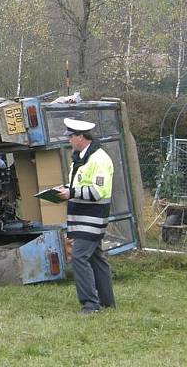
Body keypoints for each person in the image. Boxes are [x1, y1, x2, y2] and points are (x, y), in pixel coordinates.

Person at [56, 117, 116, 314]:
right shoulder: (82, 157)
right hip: (82, 219)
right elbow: (80, 185)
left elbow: (98, 192)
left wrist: (71, 193)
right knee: (96, 258)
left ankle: (90, 304)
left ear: (81, 137)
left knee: (80, 257)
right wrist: (65, 190)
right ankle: (107, 301)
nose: (69, 140)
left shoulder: (99, 159)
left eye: (71, 137)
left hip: (93, 219)